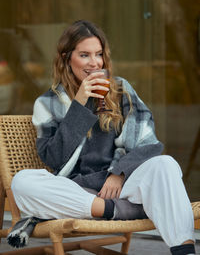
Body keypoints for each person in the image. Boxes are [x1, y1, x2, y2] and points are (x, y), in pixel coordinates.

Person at [10, 20, 195, 254]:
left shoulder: (121, 90)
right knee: (22, 182)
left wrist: (118, 173)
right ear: (67, 58)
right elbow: (54, 159)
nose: (94, 63)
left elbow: (149, 144)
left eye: (98, 54)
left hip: (122, 186)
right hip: (78, 190)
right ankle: (117, 210)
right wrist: (79, 104)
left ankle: (184, 250)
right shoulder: (47, 103)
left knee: (166, 164)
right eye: (84, 55)